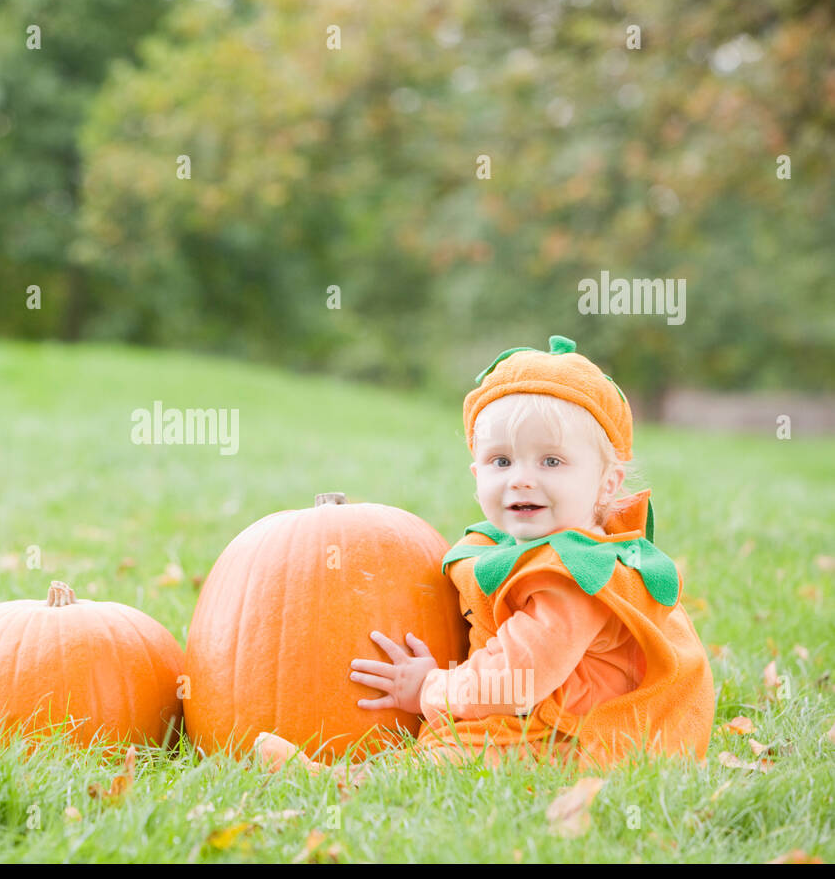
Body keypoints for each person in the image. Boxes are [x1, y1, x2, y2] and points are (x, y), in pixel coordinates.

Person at [255, 334, 716, 782]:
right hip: (544, 715)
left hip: (577, 739)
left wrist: (430, 688)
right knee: (461, 735)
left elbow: (517, 679)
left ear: (607, 484)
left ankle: (354, 782)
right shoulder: (517, 549)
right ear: (476, 474)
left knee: (460, 755)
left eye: (551, 462)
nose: (521, 479)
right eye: (501, 462)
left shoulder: (576, 579)